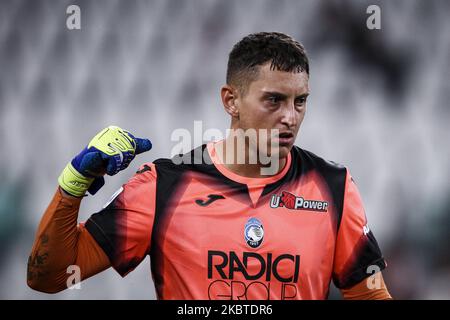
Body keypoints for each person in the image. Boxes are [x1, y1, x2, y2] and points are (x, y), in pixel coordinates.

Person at [27, 32, 391, 300]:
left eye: (300, 102)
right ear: (231, 100)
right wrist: (73, 183)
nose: (290, 117)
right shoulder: (163, 187)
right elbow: (50, 277)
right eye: (274, 100)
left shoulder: (333, 187)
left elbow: (370, 294)